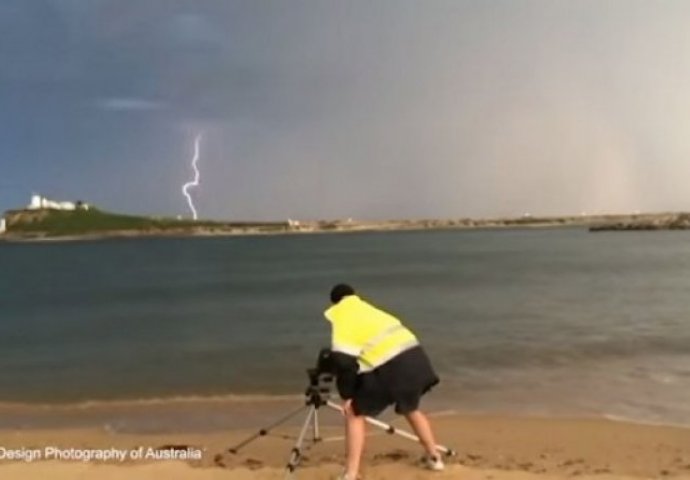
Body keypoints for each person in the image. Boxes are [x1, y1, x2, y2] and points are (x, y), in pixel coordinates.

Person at [324, 283, 445, 480]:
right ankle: (434, 457)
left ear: (335, 304)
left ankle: (351, 474)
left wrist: (347, 395)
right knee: (410, 408)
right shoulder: (373, 312)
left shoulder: (344, 318)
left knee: (354, 413)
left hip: (392, 368)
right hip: (416, 362)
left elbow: (344, 362)